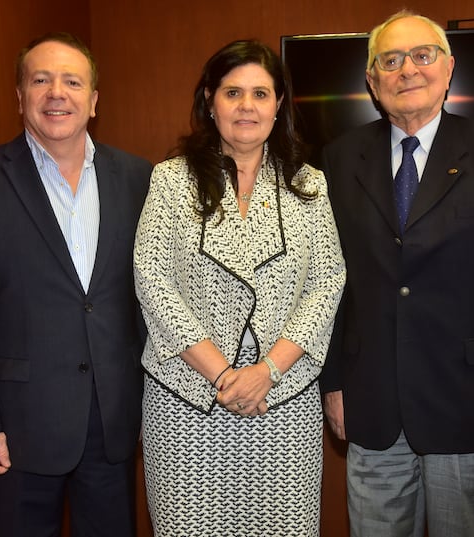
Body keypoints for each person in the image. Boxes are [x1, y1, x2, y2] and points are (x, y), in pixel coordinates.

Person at [320, 10, 474, 537]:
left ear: (448, 67)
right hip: (373, 408)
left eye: (422, 55)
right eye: (390, 60)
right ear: (372, 80)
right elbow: (331, 284)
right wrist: (334, 385)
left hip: (473, 406)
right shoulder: (339, 159)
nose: (407, 69)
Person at [0, 32, 152, 537]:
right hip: (17, 429)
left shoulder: (139, 178)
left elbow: (147, 298)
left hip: (112, 423)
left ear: (94, 101)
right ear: (20, 96)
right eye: (41, 80)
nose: (58, 93)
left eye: (73, 82)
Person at [133, 39, 346, 536]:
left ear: (279, 106)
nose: (246, 106)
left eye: (260, 93)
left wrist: (266, 371)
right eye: (232, 93)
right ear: (210, 101)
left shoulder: (309, 184)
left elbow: (327, 282)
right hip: (187, 400)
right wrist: (224, 374)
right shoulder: (171, 180)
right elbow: (153, 279)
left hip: (282, 401)